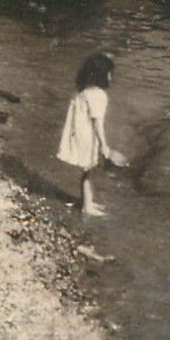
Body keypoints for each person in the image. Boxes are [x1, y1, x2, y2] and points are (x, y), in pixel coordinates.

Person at [56, 53, 127, 217]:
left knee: (88, 171)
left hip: (79, 134)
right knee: (90, 171)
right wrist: (104, 145)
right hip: (88, 137)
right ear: (102, 75)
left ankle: (86, 201)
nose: (111, 77)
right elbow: (97, 122)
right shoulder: (99, 95)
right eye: (109, 73)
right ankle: (87, 206)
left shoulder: (83, 91)